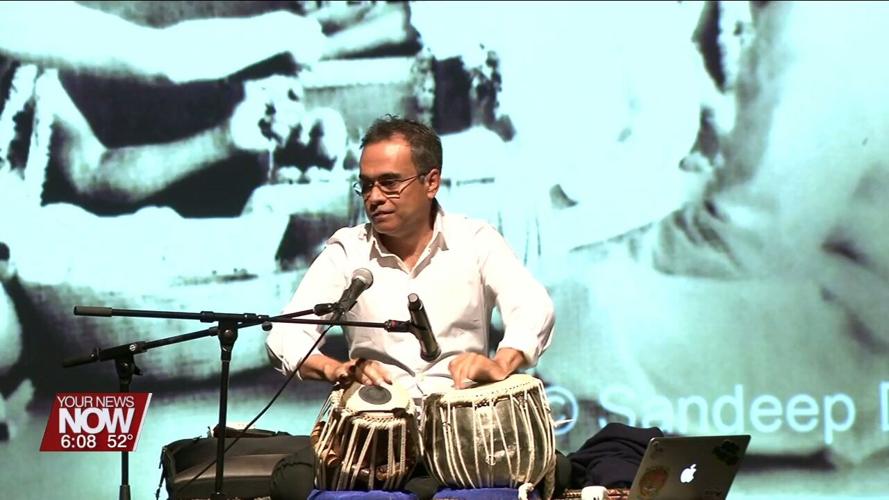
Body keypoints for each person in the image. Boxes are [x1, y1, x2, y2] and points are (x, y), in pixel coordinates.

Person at [265, 115, 555, 499]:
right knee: (294, 481)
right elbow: (286, 333)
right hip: (374, 442)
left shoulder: (474, 240)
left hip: (464, 436)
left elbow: (533, 305)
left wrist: (502, 362)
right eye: (366, 185)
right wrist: (338, 368)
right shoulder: (348, 251)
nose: (374, 197)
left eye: (389, 183)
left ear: (430, 182)